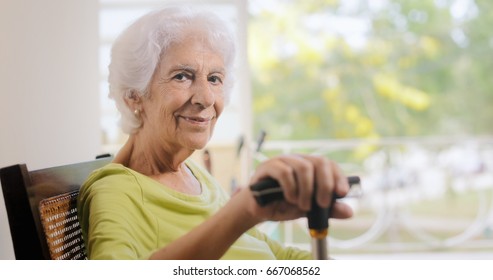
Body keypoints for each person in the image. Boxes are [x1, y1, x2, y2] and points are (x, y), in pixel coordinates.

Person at [77, 6, 353, 260]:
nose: (206, 98)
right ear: (134, 96)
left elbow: (273, 254)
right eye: (182, 76)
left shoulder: (195, 175)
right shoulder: (116, 189)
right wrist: (242, 211)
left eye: (214, 79)